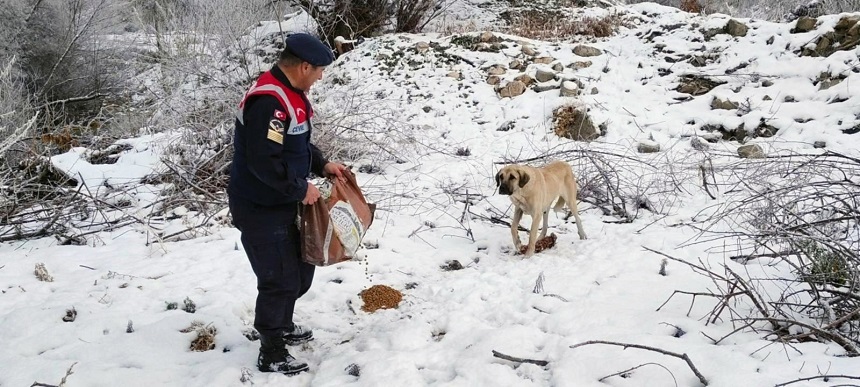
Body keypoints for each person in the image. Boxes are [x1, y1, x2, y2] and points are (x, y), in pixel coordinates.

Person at [228, 32, 347, 375]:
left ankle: (283, 322)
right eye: (320, 70)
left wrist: (321, 164)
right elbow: (263, 162)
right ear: (304, 66)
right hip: (260, 205)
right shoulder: (269, 102)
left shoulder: (293, 94)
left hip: (283, 199)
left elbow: (297, 145)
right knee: (279, 279)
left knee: (300, 271)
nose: (322, 76)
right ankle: (271, 349)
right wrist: (300, 188)